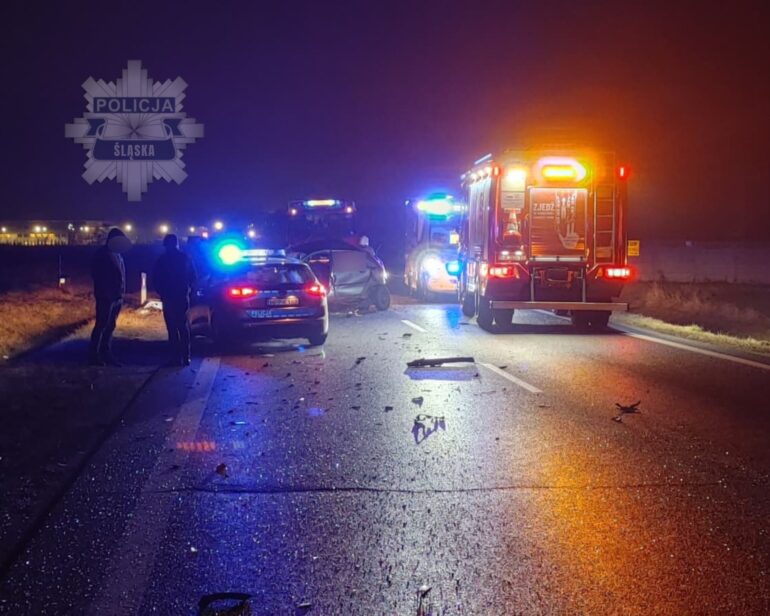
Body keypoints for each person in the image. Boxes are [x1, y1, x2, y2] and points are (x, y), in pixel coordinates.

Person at [152, 234, 196, 366]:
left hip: (169, 296)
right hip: (181, 296)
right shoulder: (185, 258)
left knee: (172, 328)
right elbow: (193, 276)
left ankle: (175, 357)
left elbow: (156, 278)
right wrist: (188, 290)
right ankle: (186, 356)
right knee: (182, 326)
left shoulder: (162, 259)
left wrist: (161, 291)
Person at [89, 227, 130, 366]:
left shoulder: (117, 255)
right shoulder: (102, 255)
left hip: (116, 296)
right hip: (106, 297)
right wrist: (106, 293)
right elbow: (98, 275)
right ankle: (94, 354)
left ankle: (105, 352)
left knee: (110, 325)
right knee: (102, 325)